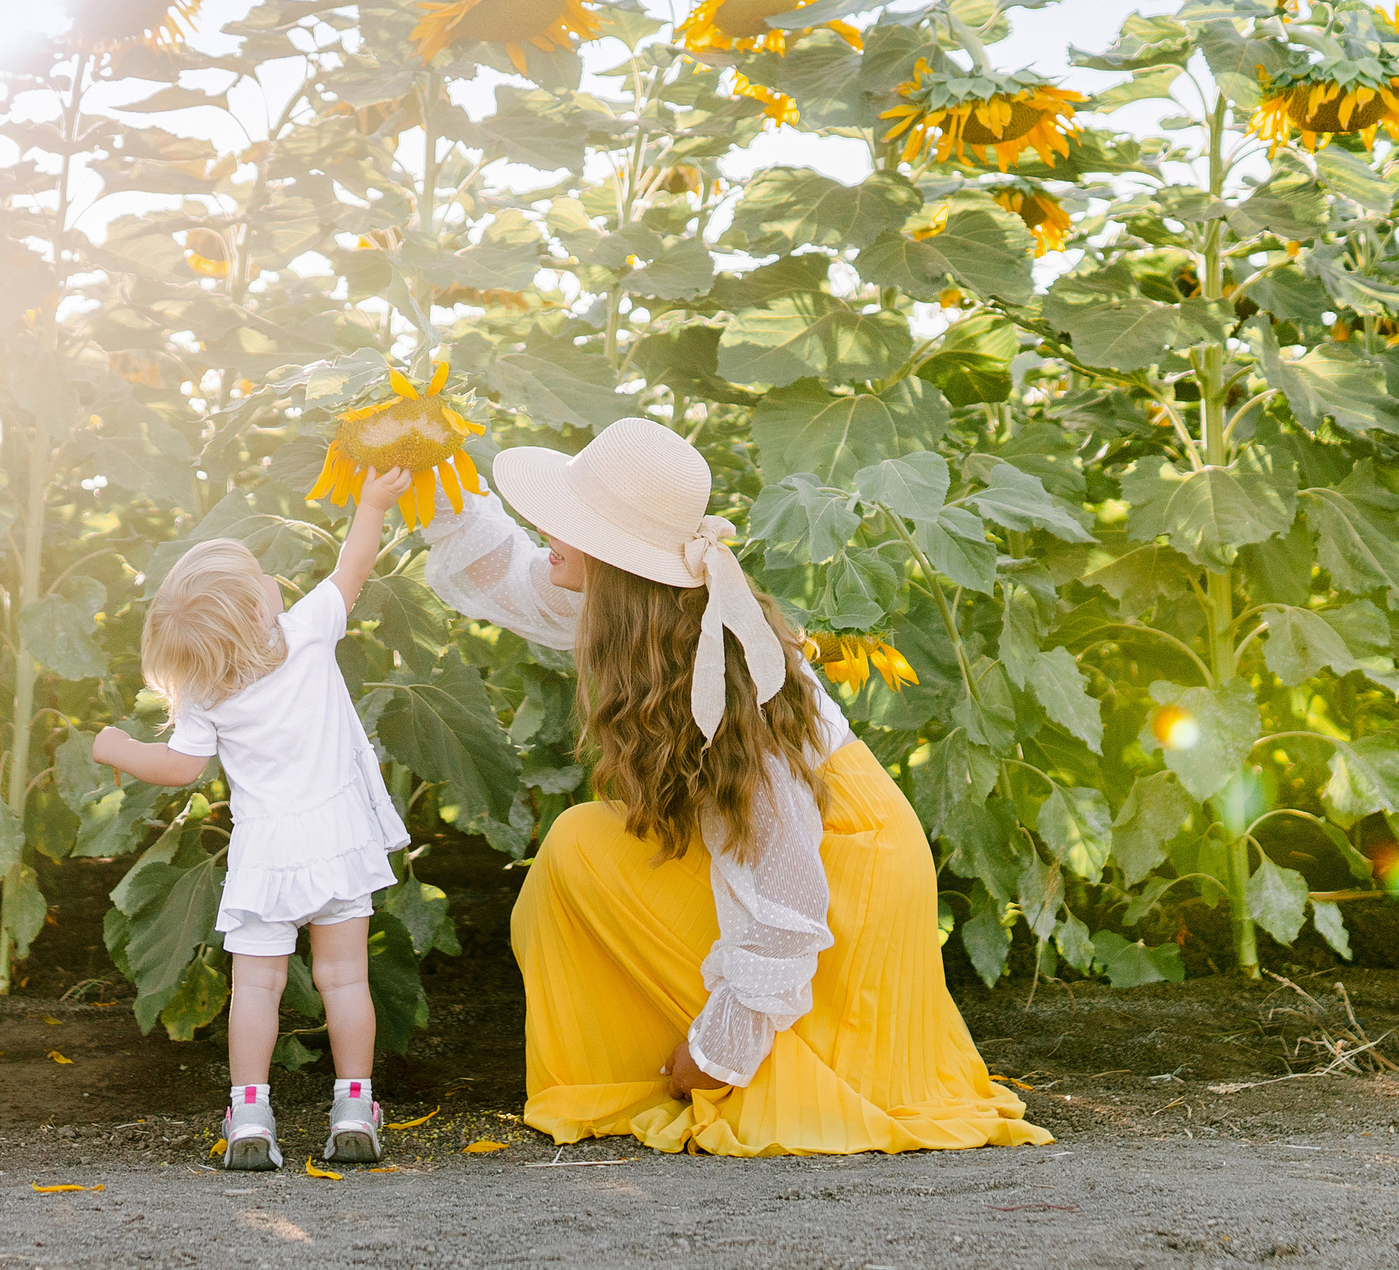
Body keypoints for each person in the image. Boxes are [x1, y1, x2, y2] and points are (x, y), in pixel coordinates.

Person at [421, 418, 1050, 1156]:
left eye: (567, 521)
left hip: (847, 866)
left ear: (617, 556)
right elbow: (510, 582)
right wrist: (432, 472)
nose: (543, 529)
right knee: (580, 842)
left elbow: (787, 898)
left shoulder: (718, 672)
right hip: (795, 855)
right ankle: (650, 1058)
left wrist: (717, 1053)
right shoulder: (640, 614)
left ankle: (724, 1054)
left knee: (594, 856)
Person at [92, 466, 416, 1171]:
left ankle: (249, 1116)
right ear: (258, 611)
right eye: (260, 579)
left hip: (267, 851)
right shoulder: (306, 632)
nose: (273, 580)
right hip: (337, 838)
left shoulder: (207, 691)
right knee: (345, 980)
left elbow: (180, 770)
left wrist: (117, 746)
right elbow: (355, 563)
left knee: (258, 986)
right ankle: (355, 1104)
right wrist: (371, 501)